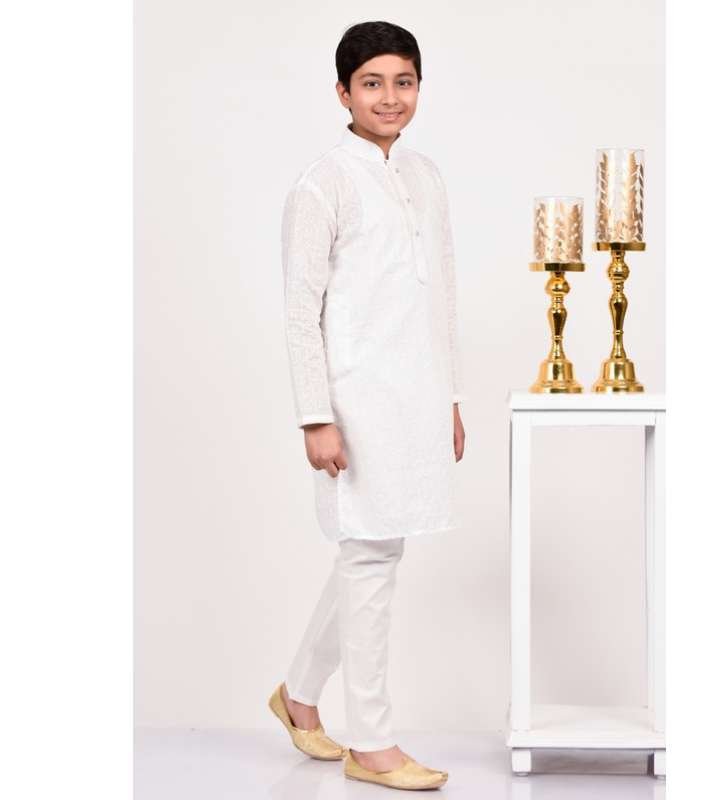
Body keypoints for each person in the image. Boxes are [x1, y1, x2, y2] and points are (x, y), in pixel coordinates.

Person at [269, 20, 465, 791]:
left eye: (403, 82)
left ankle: (298, 696)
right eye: (373, 83)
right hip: (354, 401)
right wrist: (315, 415)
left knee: (372, 551)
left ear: (419, 88)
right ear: (343, 93)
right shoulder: (324, 183)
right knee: (371, 556)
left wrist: (450, 397)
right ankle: (372, 743)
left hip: (416, 396)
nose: (390, 97)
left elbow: (441, 294)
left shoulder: (425, 176)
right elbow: (299, 309)